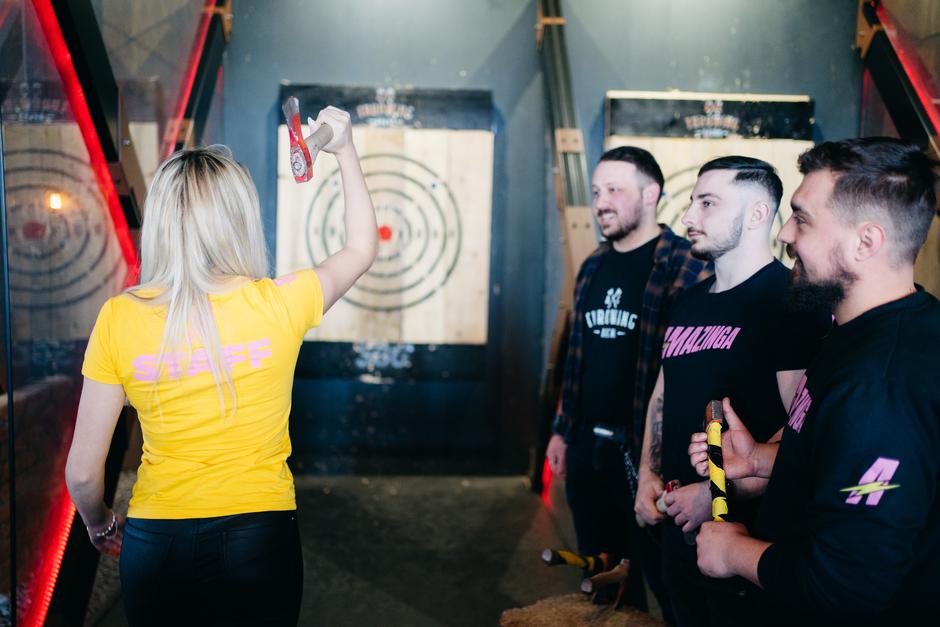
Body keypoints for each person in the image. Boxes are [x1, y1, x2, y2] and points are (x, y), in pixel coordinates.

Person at [64, 106, 377, 625]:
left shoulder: (119, 318)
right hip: (259, 535)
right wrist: (344, 150)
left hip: (156, 541)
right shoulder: (279, 302)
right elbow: (362, 248)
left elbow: (81, 472)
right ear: (237, 219)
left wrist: (99, 523)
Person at [692, 138, 940, 626]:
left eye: (802, 219)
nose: (785, 233)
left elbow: (847, 584)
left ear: (865, 242)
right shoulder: (867, 330)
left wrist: (734, 552)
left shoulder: (882, 384)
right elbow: (848, 453)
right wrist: (761, 458)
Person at [634, 156, 829, 626]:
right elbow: (664, 393)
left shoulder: (788, 302)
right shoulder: (688, 299)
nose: (688, 218)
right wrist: (646, 473)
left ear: (758, 214)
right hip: (678, 531)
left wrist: (719, 492)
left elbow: (803, 431)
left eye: (707, 203)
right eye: (691, 203)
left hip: (746, 537)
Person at [546, 146, 711, 613]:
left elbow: (686, 373)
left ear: (651, 193)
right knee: (602, 579)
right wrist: (562, 431)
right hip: (586, 451)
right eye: (597, 191)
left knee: (667, 584)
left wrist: (660, 464)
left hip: (645, 457)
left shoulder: (686, 265)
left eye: (615, 189)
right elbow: (577, 356)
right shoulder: (593, 265)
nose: (601, 201)